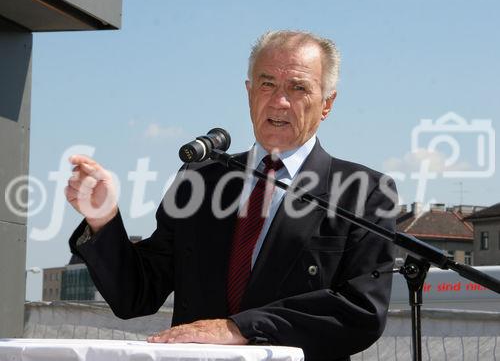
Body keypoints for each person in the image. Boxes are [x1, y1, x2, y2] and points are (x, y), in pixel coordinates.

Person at [66, 30, 397, 361]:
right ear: (249, 92)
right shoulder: (198, 180)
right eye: (267, 84)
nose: (280, 101)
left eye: (298, 88)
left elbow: (360, 310)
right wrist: (103, 220)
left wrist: (240, 328)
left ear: (327, 103)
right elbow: (134, 295)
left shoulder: (363, 192)